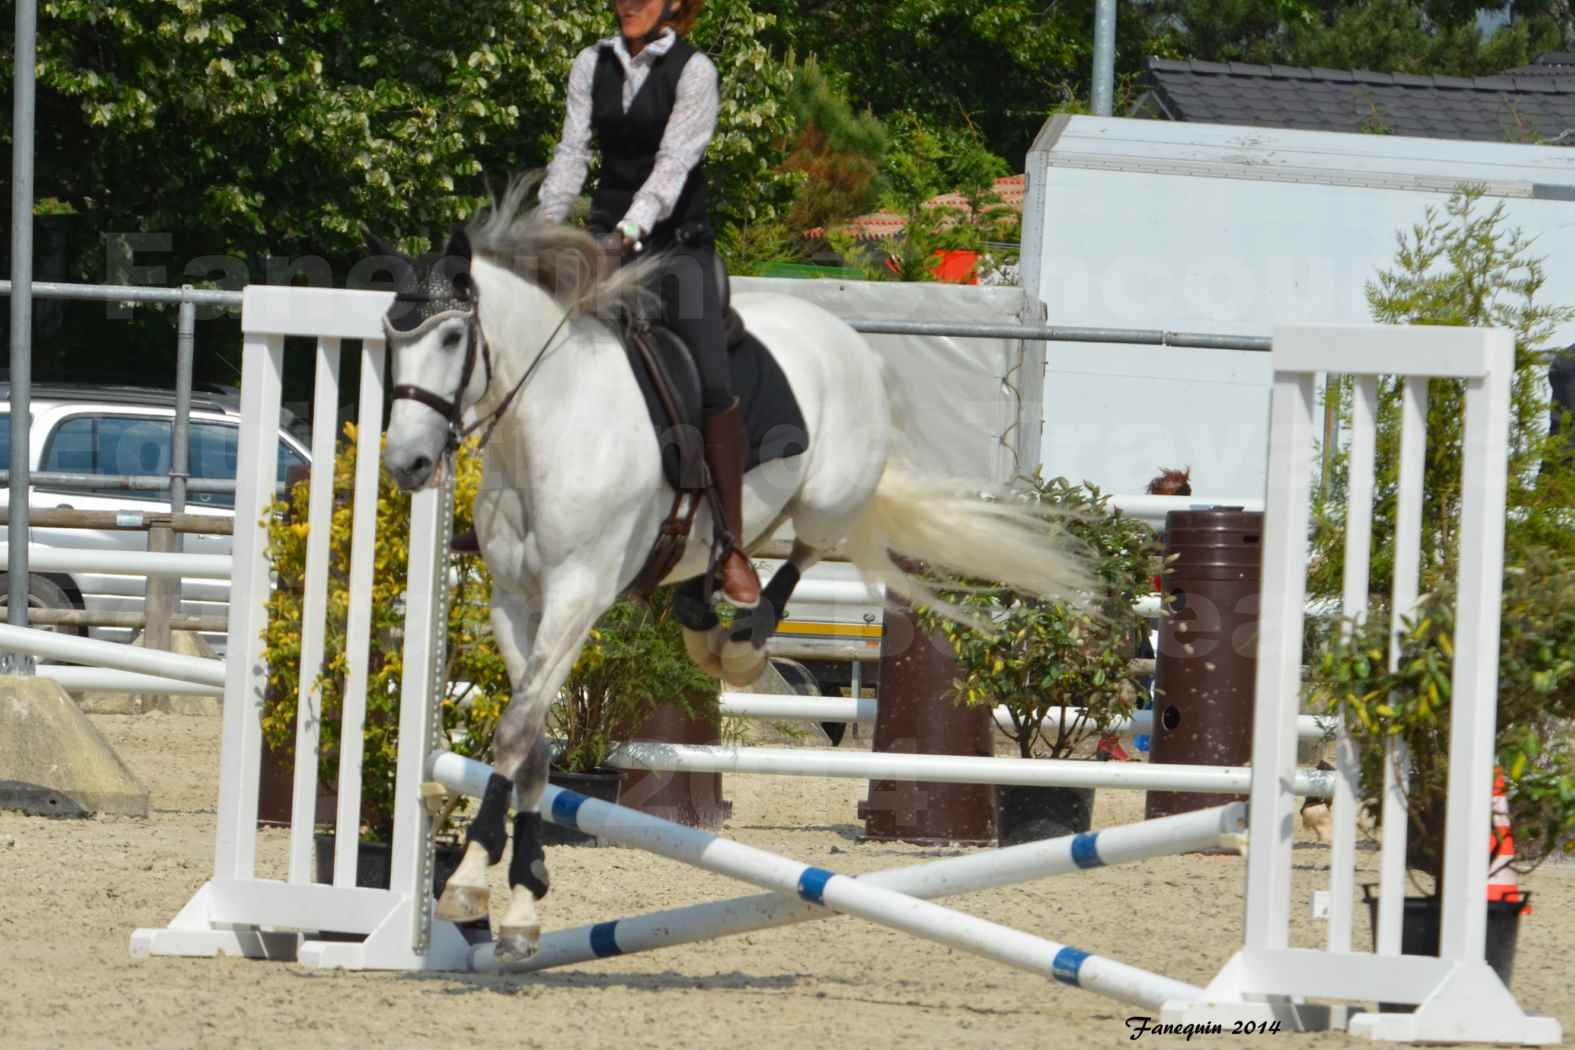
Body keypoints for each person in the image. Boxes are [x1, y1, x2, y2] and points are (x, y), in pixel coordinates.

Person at [535, 0, 761, 607]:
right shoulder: (591, 62)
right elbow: (571, 154)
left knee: (712, 382)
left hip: (676, 248)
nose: (630, 2)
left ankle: (730, 545)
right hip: (604, 243)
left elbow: (671, 170)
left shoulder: (695, 72)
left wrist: (626, 236)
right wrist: (542, 230)